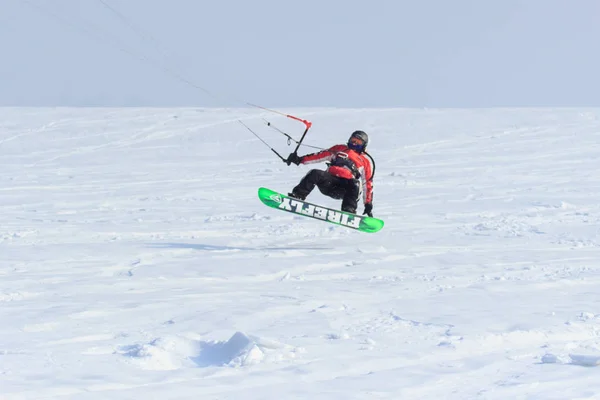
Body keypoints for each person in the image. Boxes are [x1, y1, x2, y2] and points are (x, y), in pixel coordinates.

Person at [285, 130, 374, 217]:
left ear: (363, 145)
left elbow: (368, 184)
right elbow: (319, 156)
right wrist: (299, 160)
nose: (354, 143)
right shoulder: (340, 149)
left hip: (345, 189)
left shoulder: (365, 161)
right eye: (353, 140)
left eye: (358, 142)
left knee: (355, 184)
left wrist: (368, 204)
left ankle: (349, 210)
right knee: (315, 173)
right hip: (329, 183)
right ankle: (297, 196)